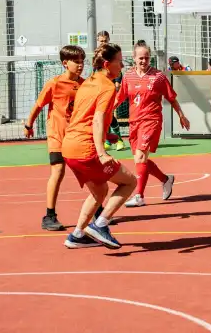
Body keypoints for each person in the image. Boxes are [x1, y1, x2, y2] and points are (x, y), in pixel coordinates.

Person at [61, 43, 137, 249]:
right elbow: (97, 118)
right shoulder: (107, 86)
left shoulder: (88, 83)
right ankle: (100, 224)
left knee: (99, 190)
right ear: (107, 64)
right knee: (130, 182)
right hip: (87, 149)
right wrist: (102, 152)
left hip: (69, 147)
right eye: (119, 62)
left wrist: (107, 134)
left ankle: (77, 235)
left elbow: (83, 115)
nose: (122, 66)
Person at [116, 40, 191, 207]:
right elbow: (119, 98)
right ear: (134, 58)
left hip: (152, 120)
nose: (144, 61)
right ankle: (165, 179)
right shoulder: (128, 76)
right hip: (134, 122)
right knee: (139, 159)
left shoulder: (158, 76)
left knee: (141, 155)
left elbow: (171, 98)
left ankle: (139, 196)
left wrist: (181, 115)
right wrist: (105, 113)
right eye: (140, 58)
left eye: (147, 58)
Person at [24, 45, 86, 231]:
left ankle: (98, 211)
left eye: (83, 61)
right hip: (57, 135)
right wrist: (29, 124)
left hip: (76, 137)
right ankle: (49, 215)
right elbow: (38, 105)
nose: (81, 65)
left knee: (88, 171)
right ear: (65, 63)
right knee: (58, 171)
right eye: (77, 61)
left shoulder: (84, 84)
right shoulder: (54, 83)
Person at [97, 31, 125, 151]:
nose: (103, 43)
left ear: (108, 40)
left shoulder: (112, 52)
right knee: (103, 114)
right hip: (100, 87)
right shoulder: (97, 54)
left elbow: (119, 67)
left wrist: (118, 82)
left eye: (105, 40)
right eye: (101, 41)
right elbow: (96, 69)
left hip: (111, 87)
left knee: (108, 113)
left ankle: (119, 140)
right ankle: (107, 140)